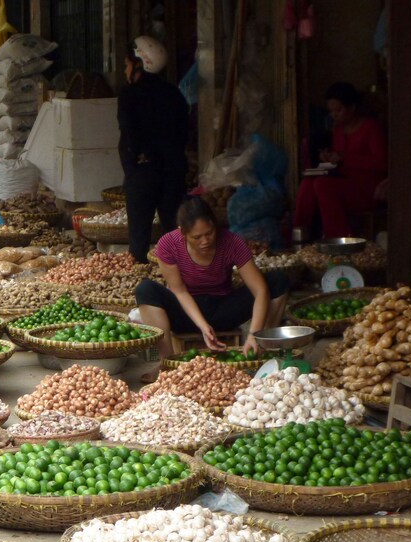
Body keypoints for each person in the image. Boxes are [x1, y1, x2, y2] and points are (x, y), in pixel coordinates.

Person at [135, 198, 289, 376]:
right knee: (145, 290)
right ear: (182, 232)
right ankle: (167, 364)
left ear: (215, 226)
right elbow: (180, 291)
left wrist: (254, 334)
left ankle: (263, 349)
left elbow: (260, 290)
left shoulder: (233, 242)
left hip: (224, 309)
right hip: (187, 313)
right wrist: (203, 326)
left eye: (209, 233)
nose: (205, 241)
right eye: (196, 237)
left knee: (278, 280)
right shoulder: (168, 244)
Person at [118, 36, 189, 264]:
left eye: (127, 64)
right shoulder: (174, 93)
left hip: (143, 173)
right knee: (174, 232)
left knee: (139, 236)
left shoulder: (130, 95)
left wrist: (132, 164)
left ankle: (139, 276)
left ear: (139, 64)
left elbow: (129, 134)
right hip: (172, 172)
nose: (125, 70)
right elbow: (184, 132)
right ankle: (180, 276)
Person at [293, 82, 388, 239]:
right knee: (307, 184)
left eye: (338, 110)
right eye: (331, 111)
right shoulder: (338, 130)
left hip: (368, 189)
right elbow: (341, 161)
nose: (334, 115)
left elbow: (382, 163)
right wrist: (330, 158)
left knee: (322, 185)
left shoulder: (370, 128)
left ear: (352, 107)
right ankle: (298, 236)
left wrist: (345, 158)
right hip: (344, 182)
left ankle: (339, 241)